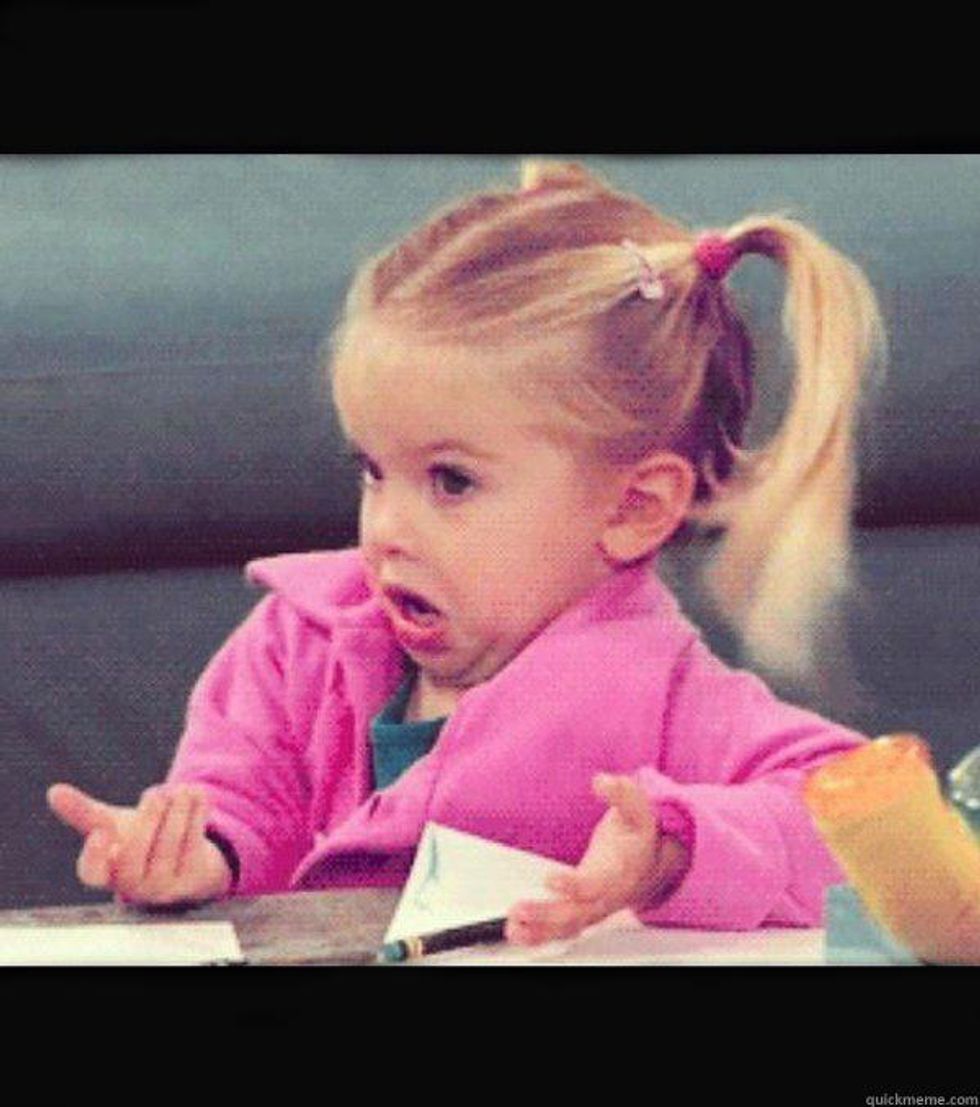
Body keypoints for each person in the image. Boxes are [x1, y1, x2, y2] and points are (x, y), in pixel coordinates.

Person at [47, 159, 885, 944]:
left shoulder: (663, 694)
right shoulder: (292, 645)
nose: (386, 528)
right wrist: (192, 854)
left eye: (450, 481)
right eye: (374, 472)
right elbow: (237, 800)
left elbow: (862, 818)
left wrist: (676, 850)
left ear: (634, 508)